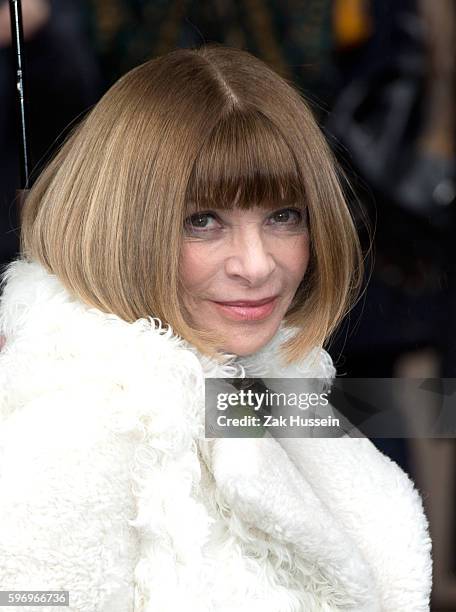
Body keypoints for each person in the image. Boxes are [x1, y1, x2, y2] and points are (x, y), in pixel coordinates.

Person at [0, 45, 432, 611]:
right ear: (121, 226)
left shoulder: (260, 388)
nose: (255, 265)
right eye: (202, 222)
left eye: (285, 216)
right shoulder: (73, 428)